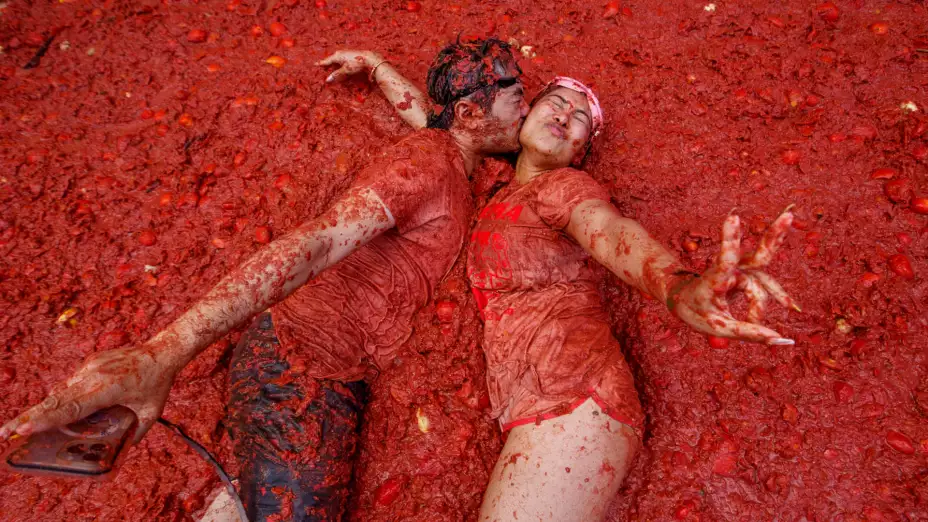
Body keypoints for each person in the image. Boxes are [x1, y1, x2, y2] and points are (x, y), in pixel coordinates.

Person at [0, 38, 529, 522]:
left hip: (324, 370)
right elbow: (320, 241)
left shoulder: (449, 152)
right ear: (468, 113)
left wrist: (378, 67)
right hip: (297, 368)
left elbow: (427, 114)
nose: (525, 109)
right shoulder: (428, 163)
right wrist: (165, 352)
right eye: (518, 97)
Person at [344, 63, 797, 520]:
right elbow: (441, 124)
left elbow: (610, 230)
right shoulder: (492, 183)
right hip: (534, 405)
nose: (565, 115)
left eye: (581, 118)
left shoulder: (564, 187)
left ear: (580, 151)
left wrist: (678, 288)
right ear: (524, 117)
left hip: (578, 402)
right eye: (555, 103)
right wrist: (378, 68)